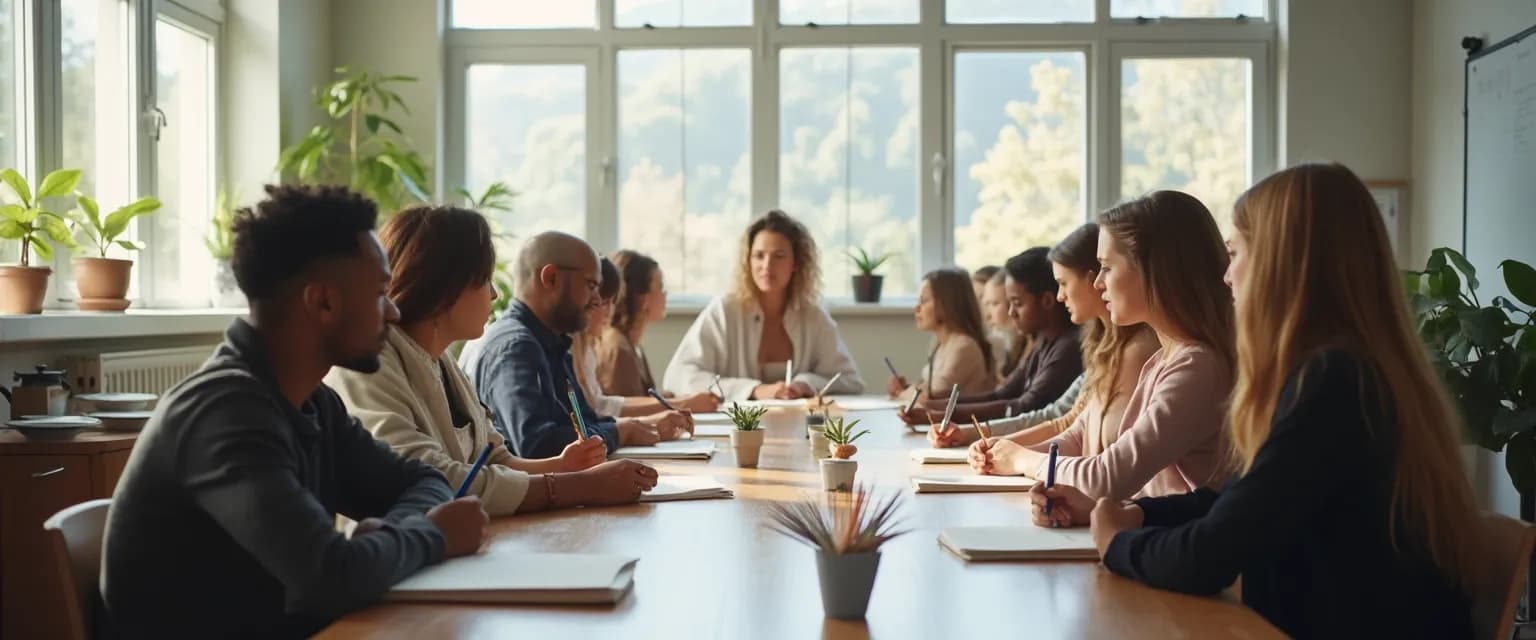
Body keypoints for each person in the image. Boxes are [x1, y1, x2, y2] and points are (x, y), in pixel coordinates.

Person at [1037, 164, 1478, 638]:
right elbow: (1239, 500)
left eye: (1234, 253)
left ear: (1284, 262)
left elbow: (1211, 555)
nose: (1226, 276)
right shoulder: (1347, 368)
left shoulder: (1334, 382)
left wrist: (1118, 543)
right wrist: (1139, 514)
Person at [100, 185, 488, 638]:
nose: (395, 311)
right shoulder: (224, 413)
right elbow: (330, 577)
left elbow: (424, 481)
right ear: (322, 302)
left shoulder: (314, 402)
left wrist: (390, 539)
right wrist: (433, 536)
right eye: (381, 293)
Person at [327, 206, 660, 517]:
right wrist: (580, 486)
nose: (495, 295)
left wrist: (562, 466)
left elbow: (494, 458)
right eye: (486, 280)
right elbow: (426, 478)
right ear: (447, 285)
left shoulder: (441, 359)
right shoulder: (370, 362)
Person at [973, 191, 1234, 501]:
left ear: (1153, 271)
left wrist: (1020, 459)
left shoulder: (1197, 367)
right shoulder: (1163, 360)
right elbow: (1080, 433)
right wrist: (1006, 453)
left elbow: (1107, 478)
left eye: (1107, 268)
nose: (1098, 284)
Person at [461, 231, 693, 459]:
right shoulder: (515, 348)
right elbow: (537, 445)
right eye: (591, 286)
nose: (597, 300)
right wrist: (621, 432)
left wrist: (635, 425)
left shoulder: (552, 342)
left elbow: (586, 421)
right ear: (551, 278)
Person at [931, 224, 1157, 449]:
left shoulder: (1106, 348)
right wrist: (989, 443)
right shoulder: (1093, 344)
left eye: (1063, 284)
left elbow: (1049, 417)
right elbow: (1068, 422)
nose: (1060, 296)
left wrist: (1006, 450)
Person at [663, 210, 865, 400]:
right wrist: (755, 390)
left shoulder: (813, 315)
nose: (767, 266)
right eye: (759, 255)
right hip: (735, 429)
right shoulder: (724, 311)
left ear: (796, 263)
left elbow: (851, 381)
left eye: (779, 256)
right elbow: (678, 376)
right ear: (748, 261)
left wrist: (805, 384)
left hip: (798, 427)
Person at [900, 247, 1081, 424]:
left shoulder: (1067, 348)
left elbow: (1025, 406)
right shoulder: (1043, 342)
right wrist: (935, 406)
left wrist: (941, 414)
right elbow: (1004, 394)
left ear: (1047, 301)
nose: (1011, 312)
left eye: (1017, 303)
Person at [572, 257, 716, 417]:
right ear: (643, 298)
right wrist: (681, 404)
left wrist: (668, 400)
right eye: (660, 287)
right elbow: (607, 411)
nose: (665, 294)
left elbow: (606, 403)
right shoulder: (617, 347)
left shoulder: (631, 345)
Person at [886, 267, 997, 398]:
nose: (916, 308)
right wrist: (907, 387)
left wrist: (902, 393)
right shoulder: (939, 343)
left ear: (946, 303)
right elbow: (928, 387)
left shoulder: (965, 346)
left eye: (924, 301)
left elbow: (932, 395)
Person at [982, 270, 1026, 379]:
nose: (987, 314)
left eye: (994, 303)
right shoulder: (997, 340)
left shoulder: (1030, 345)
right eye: (986, 304)